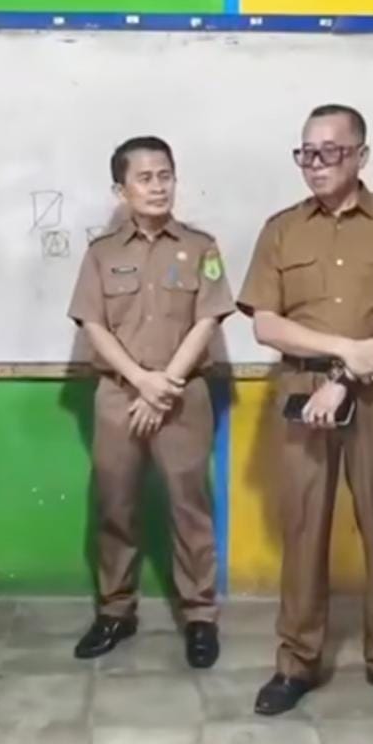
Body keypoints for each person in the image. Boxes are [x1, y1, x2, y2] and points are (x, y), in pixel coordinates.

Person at [238, 105, 373, 716]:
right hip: (303, 395)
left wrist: (352, 371)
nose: (315, 163)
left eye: (330, 151)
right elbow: (266, 324)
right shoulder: (281, 229)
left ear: (361, 155)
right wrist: (342, 351)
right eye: (306, 152)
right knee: (303, 529)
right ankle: (296, 663)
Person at [68, 136, 234, 668]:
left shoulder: (201, 247)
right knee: (115, 504)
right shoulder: (102, 253)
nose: (158, 187)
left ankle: (200, 616)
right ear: (121, 189)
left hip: (183, 396)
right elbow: (93, 324)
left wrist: (166, 384)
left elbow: (208, 318)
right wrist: (141, 380)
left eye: (165, 176)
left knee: (190, 506)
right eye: (144, 178)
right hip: (120, 395)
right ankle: (116, 611)